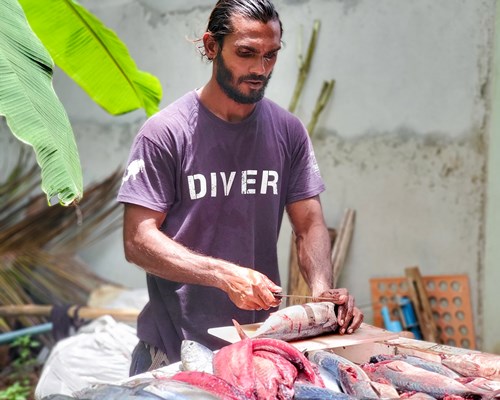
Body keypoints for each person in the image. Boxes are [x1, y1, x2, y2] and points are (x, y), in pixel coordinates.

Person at [118, 0, 363, 376]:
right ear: (212, 46)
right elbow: (137, 240)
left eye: (271, 56)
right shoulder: (166, 133)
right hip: (172, 353)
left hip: (256, 349)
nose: (260, 69)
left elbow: (309, 223)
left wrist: (320, 293)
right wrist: (224, 275)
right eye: (246, 53)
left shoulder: (288, 131)